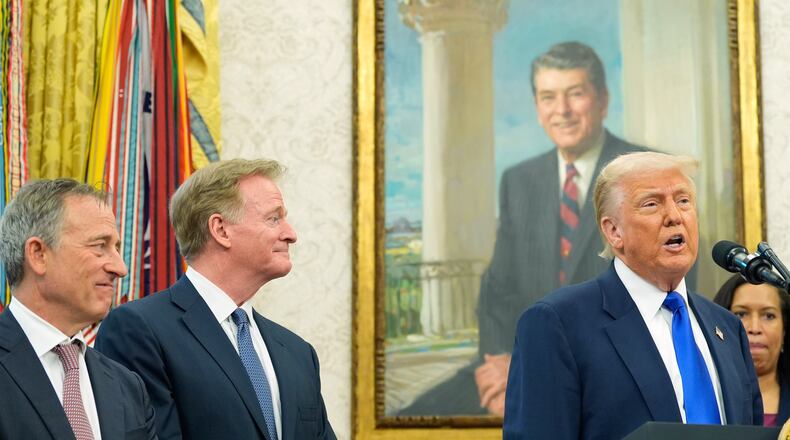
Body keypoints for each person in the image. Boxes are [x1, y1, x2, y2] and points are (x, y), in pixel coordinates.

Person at [401, 41, 647, 416]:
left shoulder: (642, 173)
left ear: (602, 100)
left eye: (575, 94)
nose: (561, 110)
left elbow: (654, 299)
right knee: (415, 416)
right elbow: (497, 291)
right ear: (537, 108)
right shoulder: (519, 180)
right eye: (548, 97)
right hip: (521, 360)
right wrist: (500, 363)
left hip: (609, 371)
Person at [504, 152, 762, 439]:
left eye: (683, 201)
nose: (674, 216)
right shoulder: (558, 324)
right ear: (614, 231)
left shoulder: (727, 327)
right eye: (651, 204)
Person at [95, 159, 335, 440]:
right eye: (274, 218)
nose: (291, 234)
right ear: (221, 229)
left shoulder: (298, 353)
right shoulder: (139, 330)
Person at [0, 179, 157, 439]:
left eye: (117, 248)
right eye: (100, 246)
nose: (121, 268)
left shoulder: (128, 387)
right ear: (38, 254)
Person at [714, 274, 790, 427]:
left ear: (784, 331)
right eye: (741, 314)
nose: (754, 328)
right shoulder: (703, 396)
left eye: (768, 316)